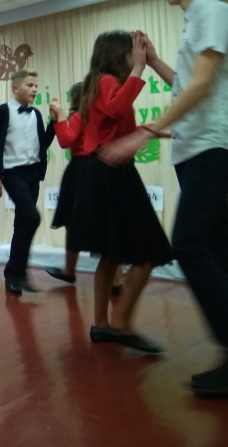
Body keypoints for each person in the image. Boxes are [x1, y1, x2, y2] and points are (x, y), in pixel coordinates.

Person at [101, 0, 228, 396]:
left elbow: (202, 86)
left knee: (189, 245)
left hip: (211, 150)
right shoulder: (197, 20)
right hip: (197, 152)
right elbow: (186, 85)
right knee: (216, 250)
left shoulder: (212, 12)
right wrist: (153, 62)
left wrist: (145, 132)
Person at [63, 31, 172, 353]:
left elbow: (116, 126)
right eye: (131, 53)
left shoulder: (100, 83)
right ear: (119, 55)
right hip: (112, 174)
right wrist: (140, 68)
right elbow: (116, 109)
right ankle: (117, 324)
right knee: (146, 253)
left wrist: (155, 131)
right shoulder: (106, 80)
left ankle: (102, 324)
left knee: (111, 256)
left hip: (108, 173)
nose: (135, 57)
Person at [45, 84, 123, 295]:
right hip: (101, 168)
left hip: (80, 171)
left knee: (72, 222)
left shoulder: (79, 117)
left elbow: (65, 140)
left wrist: (60, 117)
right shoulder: (102, 118)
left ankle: (69, 271)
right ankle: (116, 280)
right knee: (106, 225)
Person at [0, 69, 57, 295]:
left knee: (23, 222)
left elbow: (43, 144)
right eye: (30, 85)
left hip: (32, 173)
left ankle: (15, 276)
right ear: (16, 88)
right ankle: (17, 272)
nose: (35, 89)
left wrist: (54, 123)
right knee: (32, 217)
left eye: (36, 86)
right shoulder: (2, 112)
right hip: (11, 173)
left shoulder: (36, 114)